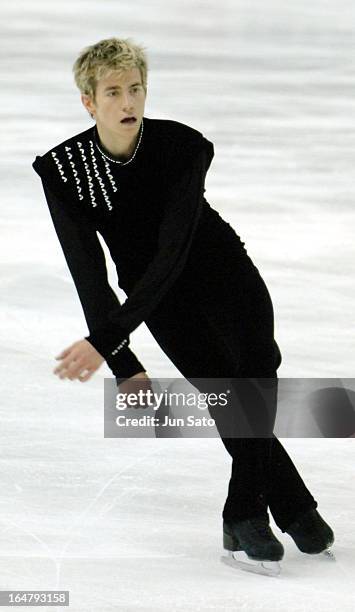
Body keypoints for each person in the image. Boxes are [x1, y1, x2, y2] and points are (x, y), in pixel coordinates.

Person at [32, 37, 334, 574]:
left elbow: (172, 252)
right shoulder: (64, 170)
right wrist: (123, 360)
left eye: (136, 90)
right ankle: (294, 505)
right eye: (114, 92)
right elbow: (90, 276)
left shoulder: (183, 147)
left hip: (224, 274)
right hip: (158, 298)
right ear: (89, 101)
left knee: (257, 375)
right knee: (225, 392)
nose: (128, 103)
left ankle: (243, 512)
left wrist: (104, 340)